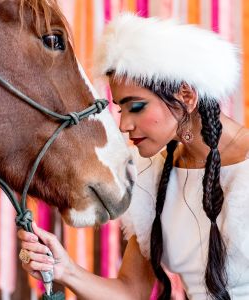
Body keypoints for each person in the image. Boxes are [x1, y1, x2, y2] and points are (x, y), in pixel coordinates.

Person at [17, 13, 249, 299]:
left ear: (187, 97)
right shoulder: (150, 174)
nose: (124, 124)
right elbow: (132, 290)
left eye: (136, 107)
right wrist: (65, 269)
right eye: (120, 109)